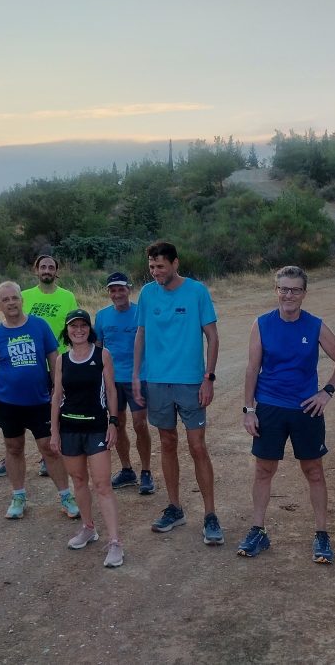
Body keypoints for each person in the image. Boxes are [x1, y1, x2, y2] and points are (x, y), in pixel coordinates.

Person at [238, 266, 335, 562]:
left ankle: (322, 535)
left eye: (295, 290)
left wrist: (326, 392)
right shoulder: (262, 324)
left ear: (304, 293)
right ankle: (258, 531)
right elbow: (252, 368)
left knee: (314, 471)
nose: (289, 295)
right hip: (270, 407)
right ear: (276, 291)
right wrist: (249, 410)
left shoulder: (315, 325)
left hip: (306, 410)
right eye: (284, 289)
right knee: (264, 470)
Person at [133, 240, 224, 545]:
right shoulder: (147, 293)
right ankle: (175, 508)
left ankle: (210, 515)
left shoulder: (197, 291)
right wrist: (136, 375)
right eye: (151, 267)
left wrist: (208, 377)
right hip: (157, 381)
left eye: (160, 266)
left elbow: (212, 336)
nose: (155, 272)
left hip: (190, 382)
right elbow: (141, 334)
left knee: (197, 446)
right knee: (167, 442)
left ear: (175, 263)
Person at [0, 281, 80, 519]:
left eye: (14, 298)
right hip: (8, 403)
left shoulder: (39, 325)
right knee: (14, 448)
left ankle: (66, 496)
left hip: (40, 401)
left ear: (21, 300)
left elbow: (54, 358)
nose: (11, 303)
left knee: (50, 448)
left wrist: (59, 389)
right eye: (5, 300)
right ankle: (19, 497)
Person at [49, 309, 124, 568]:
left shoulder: (102, 355)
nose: (78, 330)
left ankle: (115, 542)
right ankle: (88, 528)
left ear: (89, 329)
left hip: (96, 428)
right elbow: (57, 396)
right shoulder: (62, 359)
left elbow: (111, 391)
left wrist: (113, 423)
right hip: (70, 429)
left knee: (102, 485)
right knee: (79, 481)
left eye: (83, 326)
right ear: (67, 330)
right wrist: (54, 432)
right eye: (74, 326)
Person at [0, 254, 77, 478]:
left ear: (56, 271)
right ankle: (10, 457)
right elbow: (11, 321)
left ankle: (49, 456)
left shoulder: (67, 296)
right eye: (43, 267)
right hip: (28, 361)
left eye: (51, 267)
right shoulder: (24, 295)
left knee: (54, 412)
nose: (47, 270)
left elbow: (74, 327)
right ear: (36, 270)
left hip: (58, 362)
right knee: (16, 416)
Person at [94, 271, 155, 495]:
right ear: (108, 293)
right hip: (112, 380)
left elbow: (153, 342)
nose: (117, 294)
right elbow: (98, 348)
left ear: (129, 289)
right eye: (113, 290)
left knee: (140, 424)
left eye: (121, 289)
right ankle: (127, 469)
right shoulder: (102, 316)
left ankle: (146, 471)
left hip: (139, 377)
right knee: (117, 423)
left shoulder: (141, 312)